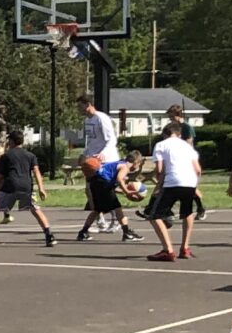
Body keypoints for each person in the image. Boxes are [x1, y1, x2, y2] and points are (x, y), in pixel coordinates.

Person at [73, 94, 139, 243]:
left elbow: (112, 139)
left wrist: (102, 154)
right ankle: (102, 225)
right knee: (93, 194)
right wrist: (84, 154)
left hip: (107, 161)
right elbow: (90, 141)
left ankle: (116, 223)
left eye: (80, 106)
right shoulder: (87, 120)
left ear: (88, 104)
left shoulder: (101, 118)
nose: (78, 109)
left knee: (106, 196)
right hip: (93, 162)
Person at [0, 130, 56, 248]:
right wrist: (41, 188)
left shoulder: (6, 156)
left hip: (10, 186)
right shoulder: (30, 155)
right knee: (35, 209)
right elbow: (37, 172)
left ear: (12, 141)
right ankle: (49, 235)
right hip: (26, 186)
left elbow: (0, 176)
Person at [142, 121, 205, 262]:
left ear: (165, 134)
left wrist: (159, 186)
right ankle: (185, 248)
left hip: (172, 182)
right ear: (179, 134)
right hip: (189, 182)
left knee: (153, 215)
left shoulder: (161, 145)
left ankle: (168, 250)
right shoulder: (187, 147)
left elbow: (159, 170)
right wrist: (194, 184)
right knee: (187, 212)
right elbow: (198, 169)